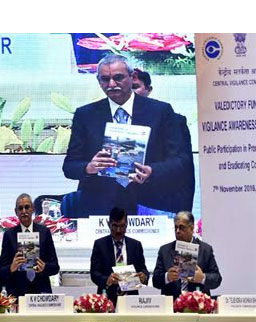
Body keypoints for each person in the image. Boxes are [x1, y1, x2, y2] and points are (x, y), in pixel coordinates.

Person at [62, 54, 186, 217]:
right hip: (100, 206)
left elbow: (180, 161)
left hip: (150, 203)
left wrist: (152, 171)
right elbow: (69, 166)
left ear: (132, 77)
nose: (111, 84)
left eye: (118, 78)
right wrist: (89, 167)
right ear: (98, 81)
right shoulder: (85, 115)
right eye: (105, 79)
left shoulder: (160, 112)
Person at [132, 68, 195, 213]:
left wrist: (184, 213)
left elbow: (184, 168)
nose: (131, 93)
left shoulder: (173, 120)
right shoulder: (107, 120)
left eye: (136, 87)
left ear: (148, 89)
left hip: (157, 203)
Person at [0, 194, 60, 297]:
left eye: (27, 207)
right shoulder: (9, 235)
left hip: (41, 291)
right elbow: (0, 270)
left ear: (33, 209)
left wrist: (44, 268)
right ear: (16, 212)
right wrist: (11, 267)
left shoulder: (44, 232)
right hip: (17, 292)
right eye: (20, 208)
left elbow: (55, 267)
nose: (24, 211)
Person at [152, 211, 222, 299]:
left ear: (191, 228)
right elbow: (155, 281)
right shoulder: (164, 250)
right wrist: (167, 277)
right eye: (176, 228)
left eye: (182, 228)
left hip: (197, 303)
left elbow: (217, 279)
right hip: (172, 303)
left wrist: (202, 278)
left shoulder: (205, 250)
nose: (177, 231)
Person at [89, 207, 149, 306]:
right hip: (107, 300)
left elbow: (143, 269)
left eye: (122, 226)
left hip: (131, 300)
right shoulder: (100, 245)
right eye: (115, 226)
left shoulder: (136, 245)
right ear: (109, 224)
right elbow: (94, 273)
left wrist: (144, 277)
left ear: (127, 225)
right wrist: (107, 280)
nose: (118, 230)